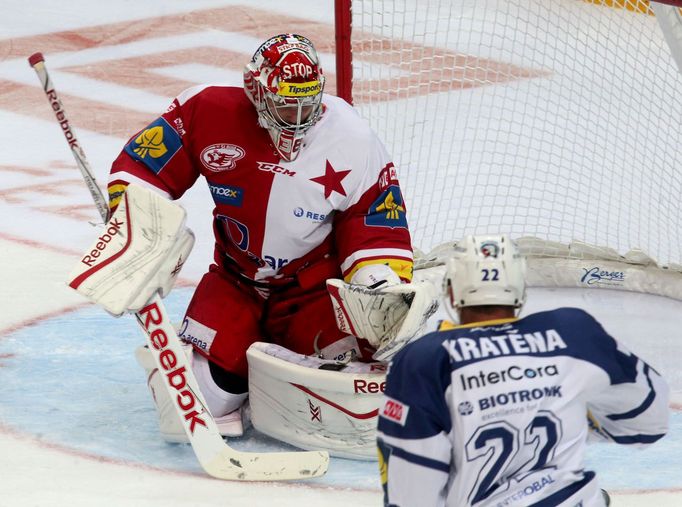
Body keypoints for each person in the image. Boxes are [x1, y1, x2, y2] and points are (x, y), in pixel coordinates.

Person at [107, 33, 414, 441]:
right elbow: (142, 167)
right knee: (201, 402)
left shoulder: (352, 137)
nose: (299, 117)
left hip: (313, 292)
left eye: (308, 104)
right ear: (255, 89)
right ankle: (247, 379)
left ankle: (268, 381)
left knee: (353, 392)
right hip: (237, 284)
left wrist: (375, 287)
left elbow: (374, 216)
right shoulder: (208, 110)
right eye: (287, 105)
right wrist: (136, 226)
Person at [376, 234, 670, 506]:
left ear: (452, 294)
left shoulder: (426, 359)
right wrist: (578, 414)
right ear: (519, 291)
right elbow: (650, 422)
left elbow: (412, 496)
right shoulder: (573, 332)